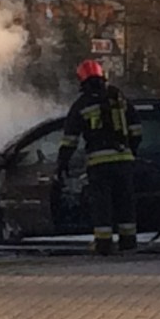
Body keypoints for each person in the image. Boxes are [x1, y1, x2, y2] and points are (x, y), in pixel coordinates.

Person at [57, 59, 142, 255]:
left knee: (102, 204)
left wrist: (62, 163)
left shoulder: (82, 104)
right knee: (125, 201)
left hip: (99, 163)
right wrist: (131, 151)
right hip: (124, 160)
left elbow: (70, 139)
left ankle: (104, 245)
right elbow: (137, 129)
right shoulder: (119, 98)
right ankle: (128, 242)